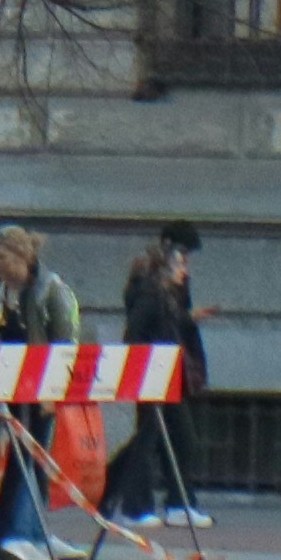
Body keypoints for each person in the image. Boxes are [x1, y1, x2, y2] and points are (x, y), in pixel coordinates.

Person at [0, 224, 74, 560]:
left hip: (38, 386)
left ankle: (16, 532)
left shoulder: (50, 290)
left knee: (28, 459)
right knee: (3, 459)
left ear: (22, 257)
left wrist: (53, 393)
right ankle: (1, 534)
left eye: (1, 257)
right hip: (3, 384)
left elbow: (64, 343)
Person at [116, 223, 211, 532]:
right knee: (149, 439)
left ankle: (178, 503)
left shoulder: (168, 291)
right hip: (152, 371)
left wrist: (186, 311)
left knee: (180, 439)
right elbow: (139, 331)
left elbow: (171, 325)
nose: (187, 265)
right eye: (182, 257)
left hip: (168, 371)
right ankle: (136, 505)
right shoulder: (150, 290)